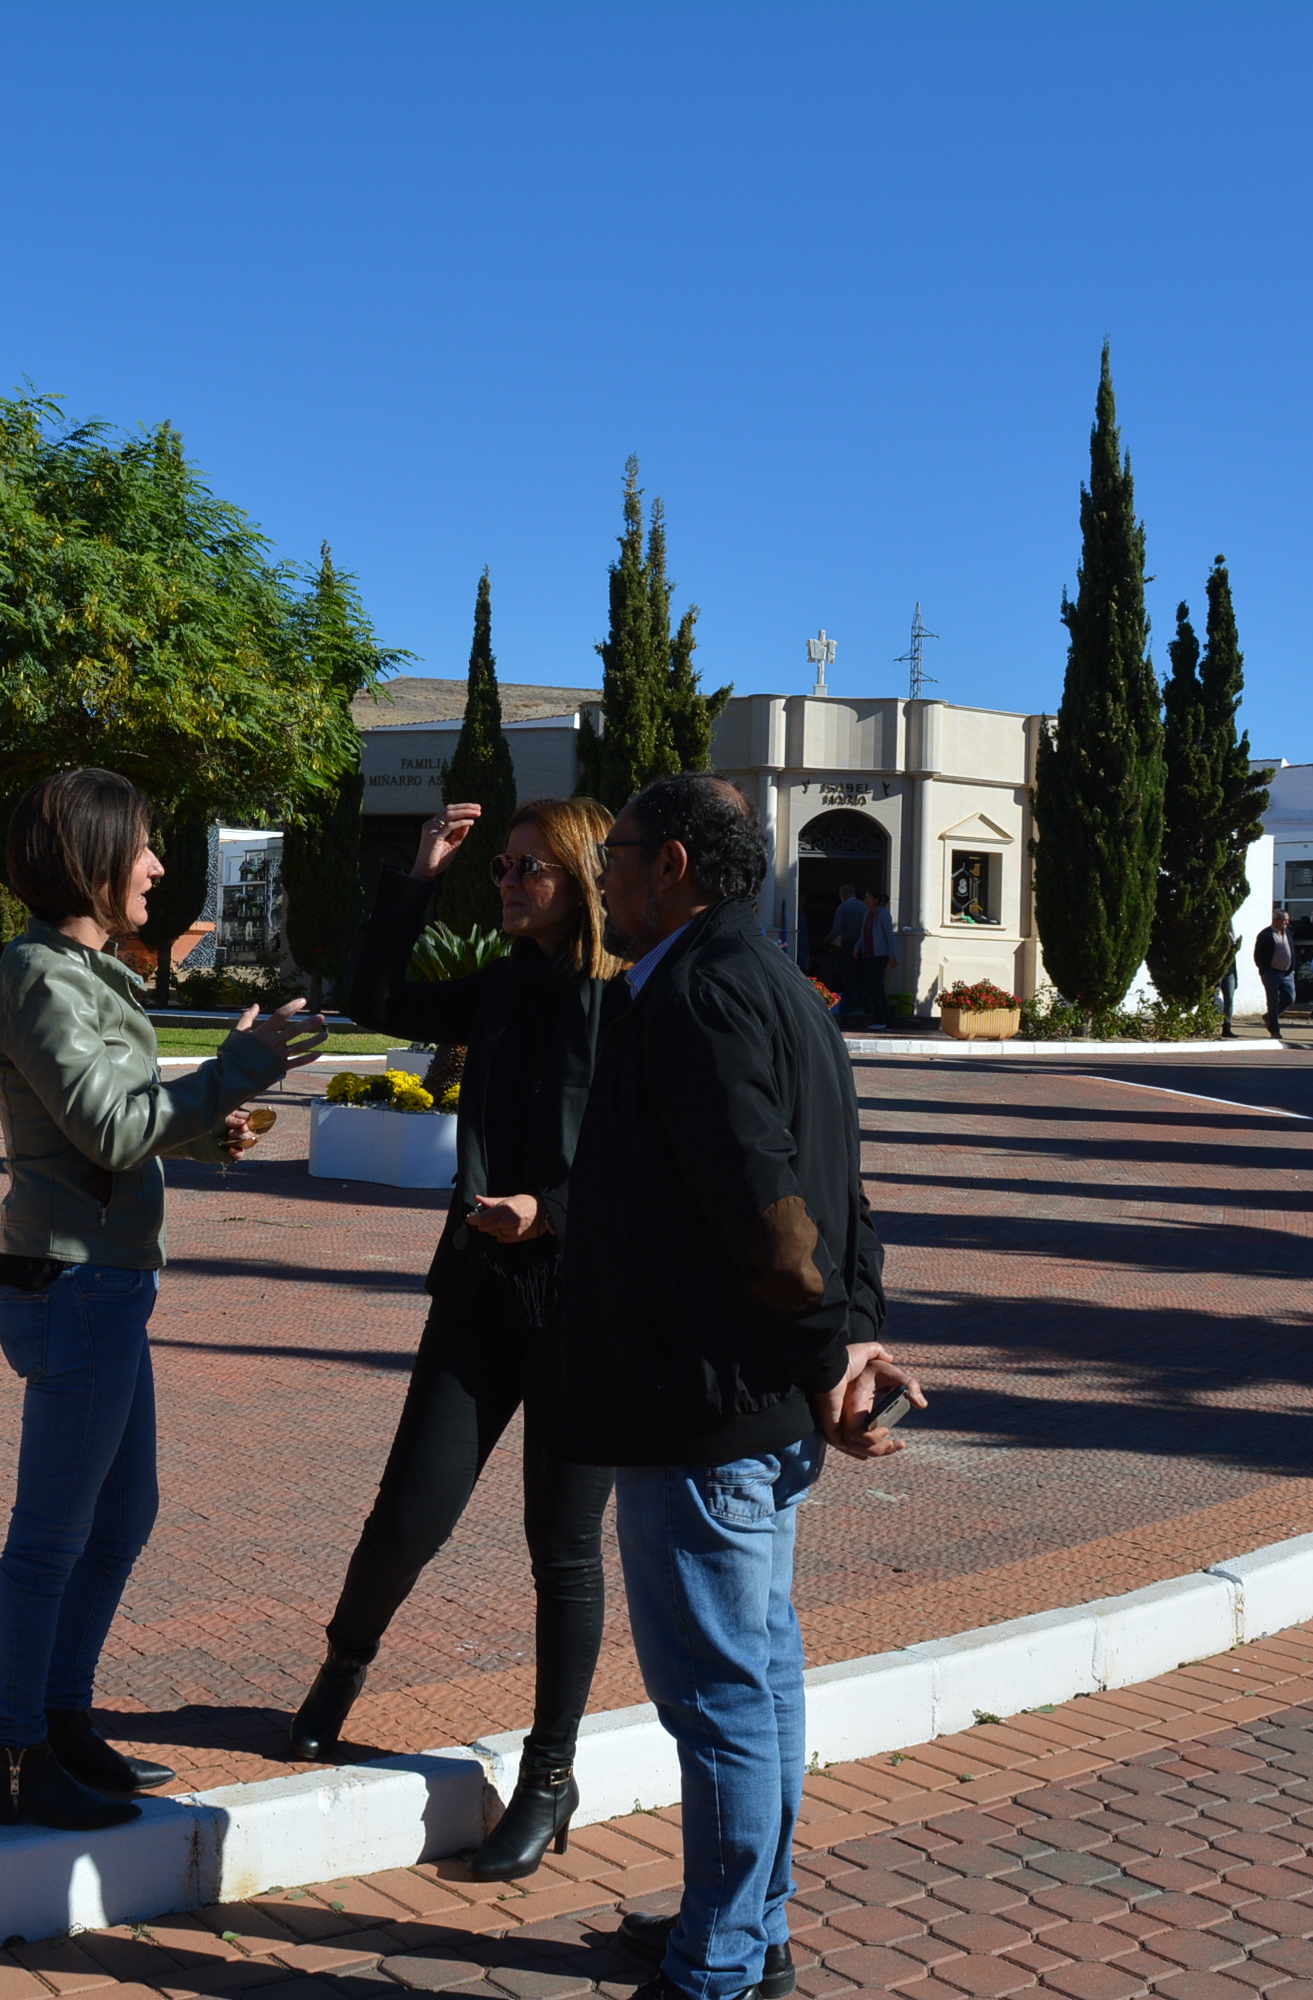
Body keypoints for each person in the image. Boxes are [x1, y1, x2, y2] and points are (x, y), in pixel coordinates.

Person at [559, 773, 921, 2000]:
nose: (597, 874)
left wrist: (830, 1343)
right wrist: (851, 1333)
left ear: (669, 864)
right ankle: (746, 1921)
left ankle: (716, 1961)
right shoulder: (782, 988)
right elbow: (849, 1196)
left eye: (609, 852)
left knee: (720, 1696)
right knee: (760, 1677)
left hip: (703, 1407)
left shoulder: (700, 996)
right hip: (749, 1401)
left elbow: (772, 1212)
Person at [0, 767, 330, 1831]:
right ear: (90, 855)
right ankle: (16, 1757)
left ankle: (61, 1719)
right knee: (51, 1534)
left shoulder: (85, 972)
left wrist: (208, 1114)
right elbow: (114, 1130)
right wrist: (233, 1070)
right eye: (143, 846)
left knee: (121, 1514)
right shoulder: (43, 979)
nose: (160, 866)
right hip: (76, 1281)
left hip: (108, 1280)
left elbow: (123, 1117)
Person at [289, 796, 630, 1878]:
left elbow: (652, 1157)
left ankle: (547, 1776)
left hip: (585, 1310)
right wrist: (420, 875)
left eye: (530, 868)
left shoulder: (629, 1003)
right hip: (482, 1290)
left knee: (561, 1553)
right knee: (406, 1514)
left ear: (581, 875)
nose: (511, 883)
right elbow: (374, 995)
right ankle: (340, 1673)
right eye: (504, 869)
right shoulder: (507, 984)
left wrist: (556, 1210)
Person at [853, 887, 894, 1029]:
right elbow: (863, 934)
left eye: (868, 898)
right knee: (878, 987)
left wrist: (893, 955)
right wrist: (857, 947)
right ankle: (885, 1021)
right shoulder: (867, 914)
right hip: (869, 954)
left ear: (875, 900)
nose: (865, 901)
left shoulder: (883, 915)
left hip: (880, 955)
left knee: (874, 986)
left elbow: (890, 936)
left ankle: (880, 1020)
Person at [1253, 908, 1296, 1039]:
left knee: (1290, 998)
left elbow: (1291, 950)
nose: (1287, 923)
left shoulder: (1287, 933)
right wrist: (1265, 970)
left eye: (1288, 920)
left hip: (1287, 973)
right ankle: (1275, 1030)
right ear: (1276, 920)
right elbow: (1258, 955)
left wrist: (1292, 968)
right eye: (1284, 920)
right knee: (1273, 1001)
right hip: (1272, 973)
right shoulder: (1266, 934)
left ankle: (1269, 1017)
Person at [824, 884, 865, 1018]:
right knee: (861, 975)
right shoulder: (864, 907)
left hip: (849, 944)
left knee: (848, 975)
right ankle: (863, 1005)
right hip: (865, 945)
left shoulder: (843, 908)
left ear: (843, 895)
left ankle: (853, 1006)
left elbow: (837, 928)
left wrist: (828, 939)